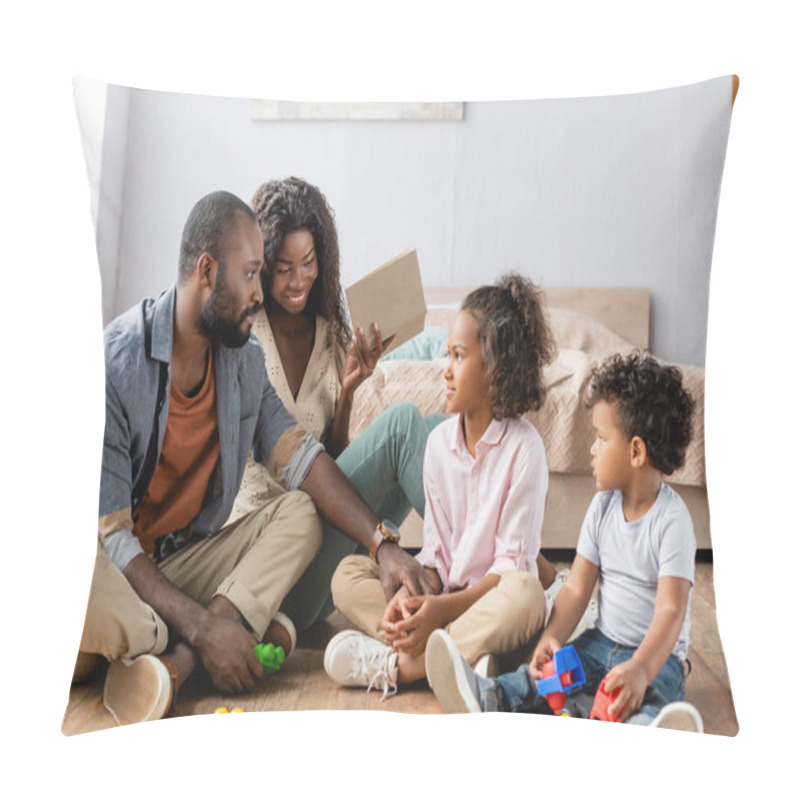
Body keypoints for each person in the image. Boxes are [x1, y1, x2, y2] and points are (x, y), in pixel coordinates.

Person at [76, 190, 436, 725]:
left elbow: (304, 460)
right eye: (251, 274)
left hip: (187, 568)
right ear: (206, 271)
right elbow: (114, 537)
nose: (258, 292)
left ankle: (169, 659)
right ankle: (179, 641)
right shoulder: (115, 363)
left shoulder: (243, 363)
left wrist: (380, 544)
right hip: (121, 572)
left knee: (298, 511)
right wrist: (205, 628)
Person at [425, 351, 705, 732]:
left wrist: (640, 669)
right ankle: (489, 694)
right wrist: (551, 637)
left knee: (656, 689)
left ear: (636, 451)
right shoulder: (602, 507)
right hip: (601, 642)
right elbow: (575, 587)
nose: (592, 448)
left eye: (601, 438)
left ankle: (650, 726)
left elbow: (670, 612)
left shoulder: (672, 522)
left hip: (657, 658)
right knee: (543, 674)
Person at [323, 273, 558, 697]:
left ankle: (404, 666)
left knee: (527, 594)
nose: (444, 370)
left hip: (489, 601)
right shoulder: (437, 446)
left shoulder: (525, 449)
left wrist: (439, 611)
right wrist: (413, 600)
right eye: (446, 355)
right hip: (447, 604)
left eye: (458, 356)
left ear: (497, 369)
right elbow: (437, 557)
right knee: (346, 574)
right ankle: (462, 655)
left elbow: (510, 571)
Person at [229, 177, 444, 631]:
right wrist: (383, 542)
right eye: (283, 267)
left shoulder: (329, 337)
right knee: (404, 423)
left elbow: (327, 455)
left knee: (439, 426)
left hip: (323, 541)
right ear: (262, 266)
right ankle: (484, 562)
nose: (297, 280)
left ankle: (477, 564)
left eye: (307, 263)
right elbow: (291, 464)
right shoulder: (244, 334)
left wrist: (348, 390)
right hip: (275, 562)